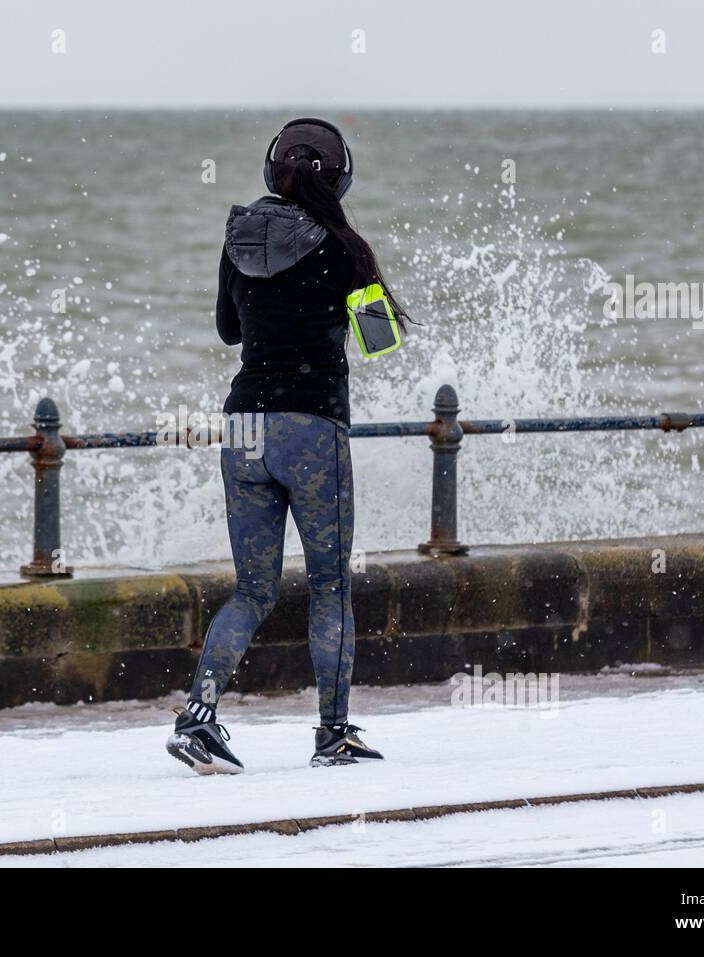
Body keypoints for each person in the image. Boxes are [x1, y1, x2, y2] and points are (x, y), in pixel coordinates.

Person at [166, 118, 410, 773]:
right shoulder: (343, 246)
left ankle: (200, 719)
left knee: (252, 590)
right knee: (329, 588)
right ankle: (333, 734)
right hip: (312, 428)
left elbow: (226, 329)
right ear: (341, 177)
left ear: (273, 171)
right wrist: (358, 275)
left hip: (243, 426)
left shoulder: (239, 236)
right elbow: (381, 338)